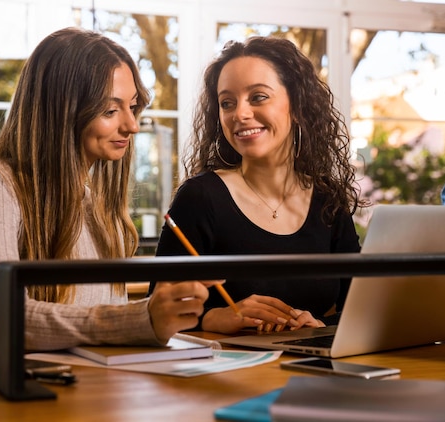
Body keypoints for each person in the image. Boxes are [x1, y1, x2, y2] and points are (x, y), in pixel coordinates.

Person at [0, 27, 212, 350]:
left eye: (132, 107)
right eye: (110, 110)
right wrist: (142, 318)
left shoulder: (95, 204)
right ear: (61, 112)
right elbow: (3, 317)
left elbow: (96, 328)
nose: (131, 125)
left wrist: (200, 317)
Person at [151, 36, 364, 335]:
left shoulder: (328, 201)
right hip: (222, 375)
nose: (239, 114)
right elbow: (156, 308)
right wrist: (216, 318)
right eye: (227, 103)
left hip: (309, 368)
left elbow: (357, 307)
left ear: (297, 105)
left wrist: (317, 325)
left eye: (258, 97)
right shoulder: (200, 197)